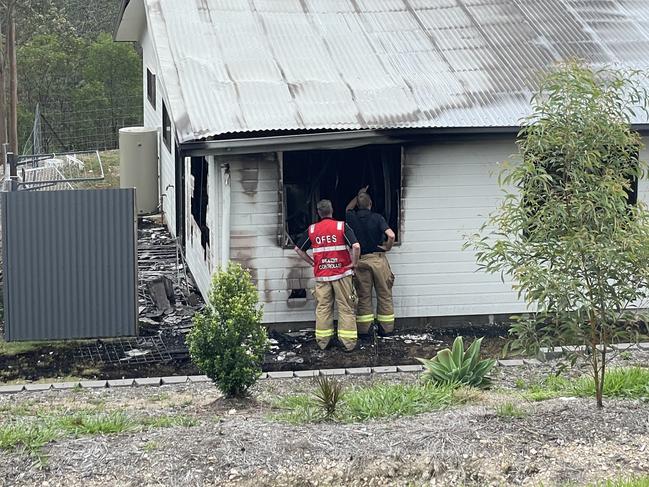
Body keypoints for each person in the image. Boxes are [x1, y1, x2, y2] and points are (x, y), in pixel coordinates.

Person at [294, 199, 361, 351]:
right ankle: (348, 343)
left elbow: (298, 249)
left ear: (318, 213)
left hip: (322, 275)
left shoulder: (312, 230)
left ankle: (323, 342)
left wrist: (313, 263)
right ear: (332, 210)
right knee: (345, 307)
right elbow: (356, 246)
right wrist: (354, 263)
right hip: (342, 273)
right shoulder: (341, 226)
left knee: (323, 307)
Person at [346, 188, 396, 335]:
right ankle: (386, 330)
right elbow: (391, 235)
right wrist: (387, 246)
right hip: (378, 260)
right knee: (384, 294)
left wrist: (358, 194)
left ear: (358, 205)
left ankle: (364, 330)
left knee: (363, 296)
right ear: (371, 204)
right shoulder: (378, 218)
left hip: (361, 260)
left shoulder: (351, 217)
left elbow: (348, 208)